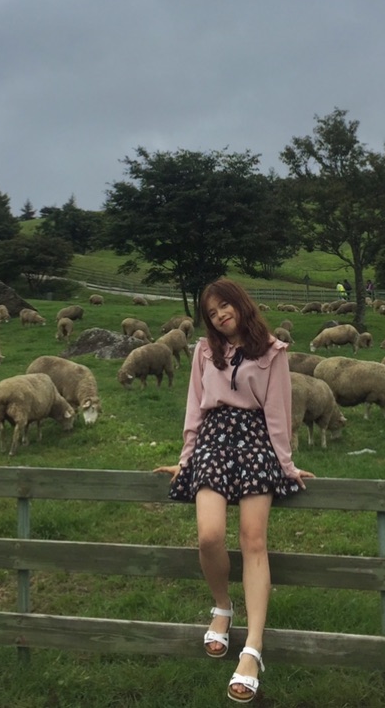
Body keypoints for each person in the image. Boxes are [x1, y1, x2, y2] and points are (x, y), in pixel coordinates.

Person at [155, 278, 314, 703]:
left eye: (225, 306)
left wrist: (286, 465)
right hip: (212, 440)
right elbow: (194, 406)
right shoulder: (204, 351)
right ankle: (222, 607)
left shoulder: (273, 352)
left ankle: (253, 648)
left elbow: (278, 411)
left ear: (240, 304)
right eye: (212, 312)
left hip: (255, 441)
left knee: (253, 540)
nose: (221, 315)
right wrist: (186, 458)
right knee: (209, 535)